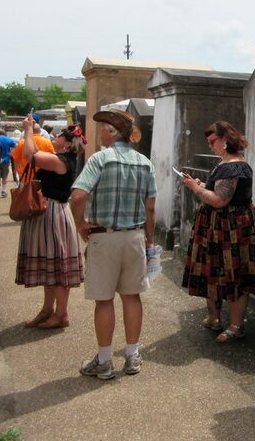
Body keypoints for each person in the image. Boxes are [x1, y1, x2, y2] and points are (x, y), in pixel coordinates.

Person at [70, 109, 157, 380]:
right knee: (132, 296)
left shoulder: (100, 159)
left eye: (102, 129)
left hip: (104, 237)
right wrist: (149, 239)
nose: (99, 134)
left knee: (104, 299)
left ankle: (105, 361)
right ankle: (132, 356)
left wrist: (80, 224)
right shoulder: (145, 163)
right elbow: (151, 207)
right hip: (134, 237)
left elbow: (78, 196)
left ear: (111, 132)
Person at [180, 121, 255, 344]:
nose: (210, 146)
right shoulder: (225, 165)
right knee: (213, 272)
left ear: (224, 140)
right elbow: (216, 191)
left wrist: (195, 188)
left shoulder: (233, 166)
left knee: (235, 275)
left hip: (231, 227)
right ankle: (214, 318)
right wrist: (203, 185)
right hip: (219, 226)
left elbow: (220, 200)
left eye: (212, 142)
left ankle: (235, 326)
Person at [15, 116, 86, 329]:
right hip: (49, 213)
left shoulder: (61, 161)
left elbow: (29, 154)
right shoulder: (60, 158)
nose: (55, 137)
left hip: (53, 213)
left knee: (59, 267)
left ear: (66, 143)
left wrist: (29, 130)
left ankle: (61, 314)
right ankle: (47, 310)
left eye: (59, 136)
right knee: (51, 267)